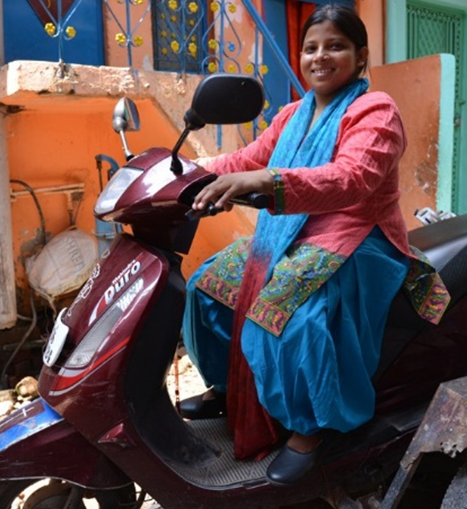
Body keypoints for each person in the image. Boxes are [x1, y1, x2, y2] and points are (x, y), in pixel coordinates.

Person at [181, 4, 450, 486]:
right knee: (205, 287)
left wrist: (265, 180)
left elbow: (353, 179)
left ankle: (312, 429)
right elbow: (245, 158)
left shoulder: (375, 110)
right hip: (293, 229)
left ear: (360, 55)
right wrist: (178, 173)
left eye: (335, 46)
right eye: (311, 48)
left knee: (285, 318)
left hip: (357, 235)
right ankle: (232, 386)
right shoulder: (294, 113)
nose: (320, 57)